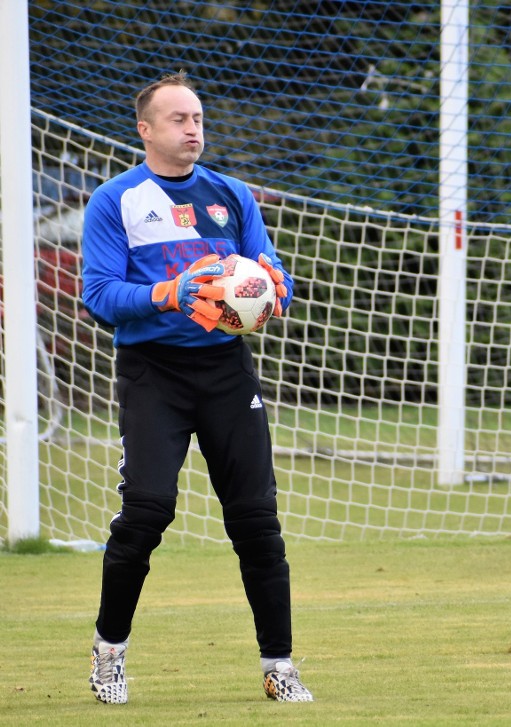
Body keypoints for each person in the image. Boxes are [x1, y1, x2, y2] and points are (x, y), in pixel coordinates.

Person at [81, 72, 313, 702]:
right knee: (147, 514)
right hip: (152, 372)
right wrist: (170, 293)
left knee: (257, 521)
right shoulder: (115, 201)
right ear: (146, 129)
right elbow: (99, 297)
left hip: (225, 371)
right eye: (179, 119)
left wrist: (274, 291)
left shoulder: (232, 195)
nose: (192, 130)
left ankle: (280, 668)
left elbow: (269, 269)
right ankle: (109, 654)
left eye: (199, 119)